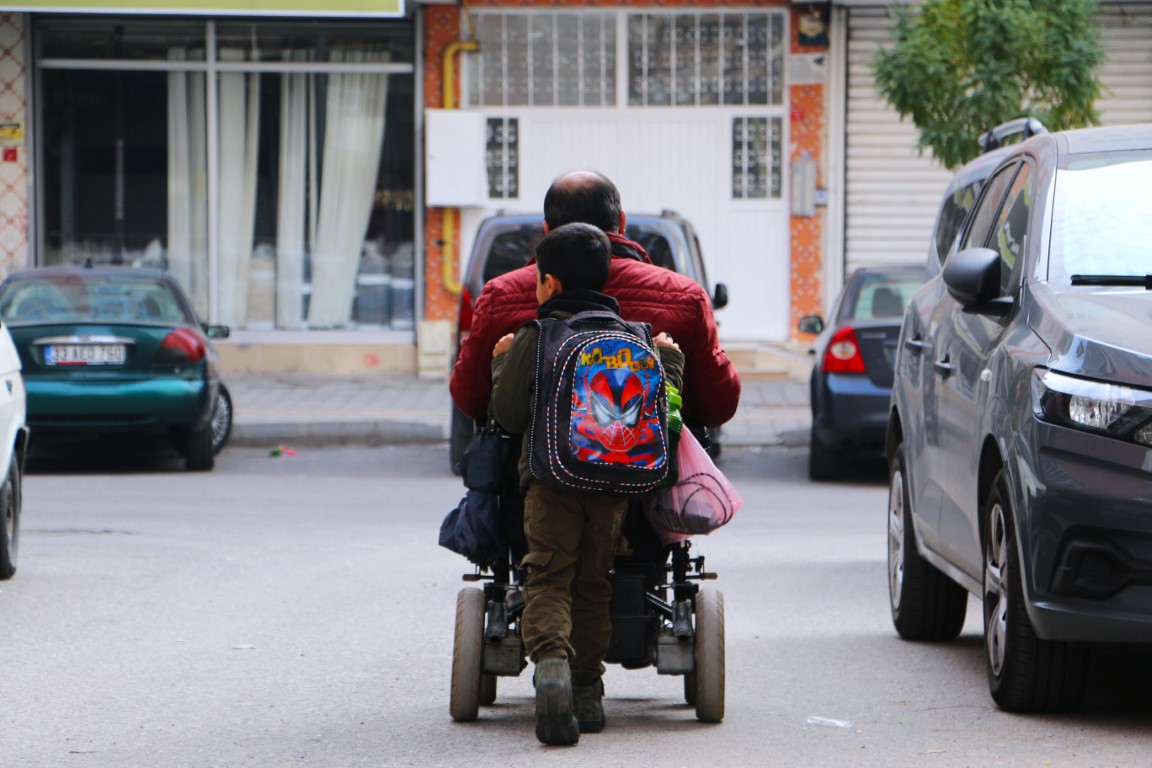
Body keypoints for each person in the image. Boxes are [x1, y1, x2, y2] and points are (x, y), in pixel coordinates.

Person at [489, 222, 685, 746]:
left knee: (549, 578)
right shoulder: (636, 338)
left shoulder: (537, 337)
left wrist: (501, 362)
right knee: (595, 583)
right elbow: (663, 414)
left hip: (551, 481)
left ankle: (551, 664)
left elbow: (506, 417)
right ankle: (587, 693)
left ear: (549, 284)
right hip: (615, 485)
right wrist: (669, 360)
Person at [450, 169, 740, 434]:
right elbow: (718, 406)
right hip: (653, 480)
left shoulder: (501, 295)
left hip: (533, 481)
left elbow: (470, 399)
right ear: (622, 222)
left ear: (548, 230)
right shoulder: (685, 296)